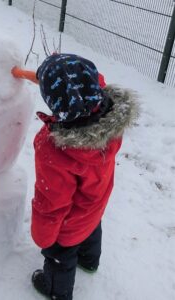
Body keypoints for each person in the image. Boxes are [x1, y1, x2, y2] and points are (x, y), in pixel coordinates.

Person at [11, 53, 139, 300]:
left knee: (61, 256)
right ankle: (90, 261)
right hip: (96, 202)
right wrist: (36, 73)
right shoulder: (107, 111)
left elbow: (52, 202)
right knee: (91, 228)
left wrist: (44, 237)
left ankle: (55, 290)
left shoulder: (58, 150)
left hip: (69, 224)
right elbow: (85, 85)